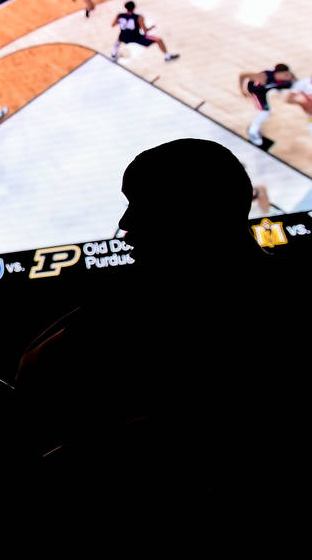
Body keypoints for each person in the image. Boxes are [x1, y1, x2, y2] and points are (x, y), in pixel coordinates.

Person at [15, 139, 306, 522]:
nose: (125, 224)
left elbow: (31, 379)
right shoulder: (293, 293)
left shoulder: (131, 319)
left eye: (140, 205)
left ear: (190, 213)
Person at [239, 63, 295, 146]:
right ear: (278, 73)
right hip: (257, 91)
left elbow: (292, 78)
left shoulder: (286, 75)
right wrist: (242, 90)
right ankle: (252, 131)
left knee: (291, 85)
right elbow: (243, 75)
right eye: (286, 75)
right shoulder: (263, 77)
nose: (288, 76)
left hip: (267, 88)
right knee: (265, 112)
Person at [110, 0, 180, 62]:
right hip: (136, 37)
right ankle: (167, 57)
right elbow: (145, 31)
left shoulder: (119, 15)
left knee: (119, 38)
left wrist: (122, 23)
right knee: (159, 40)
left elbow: (113, 25)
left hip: (124, 37)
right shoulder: (139, 17)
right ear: (134, 7)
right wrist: (151, 27)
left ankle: (113, 54)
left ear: (125, 7)